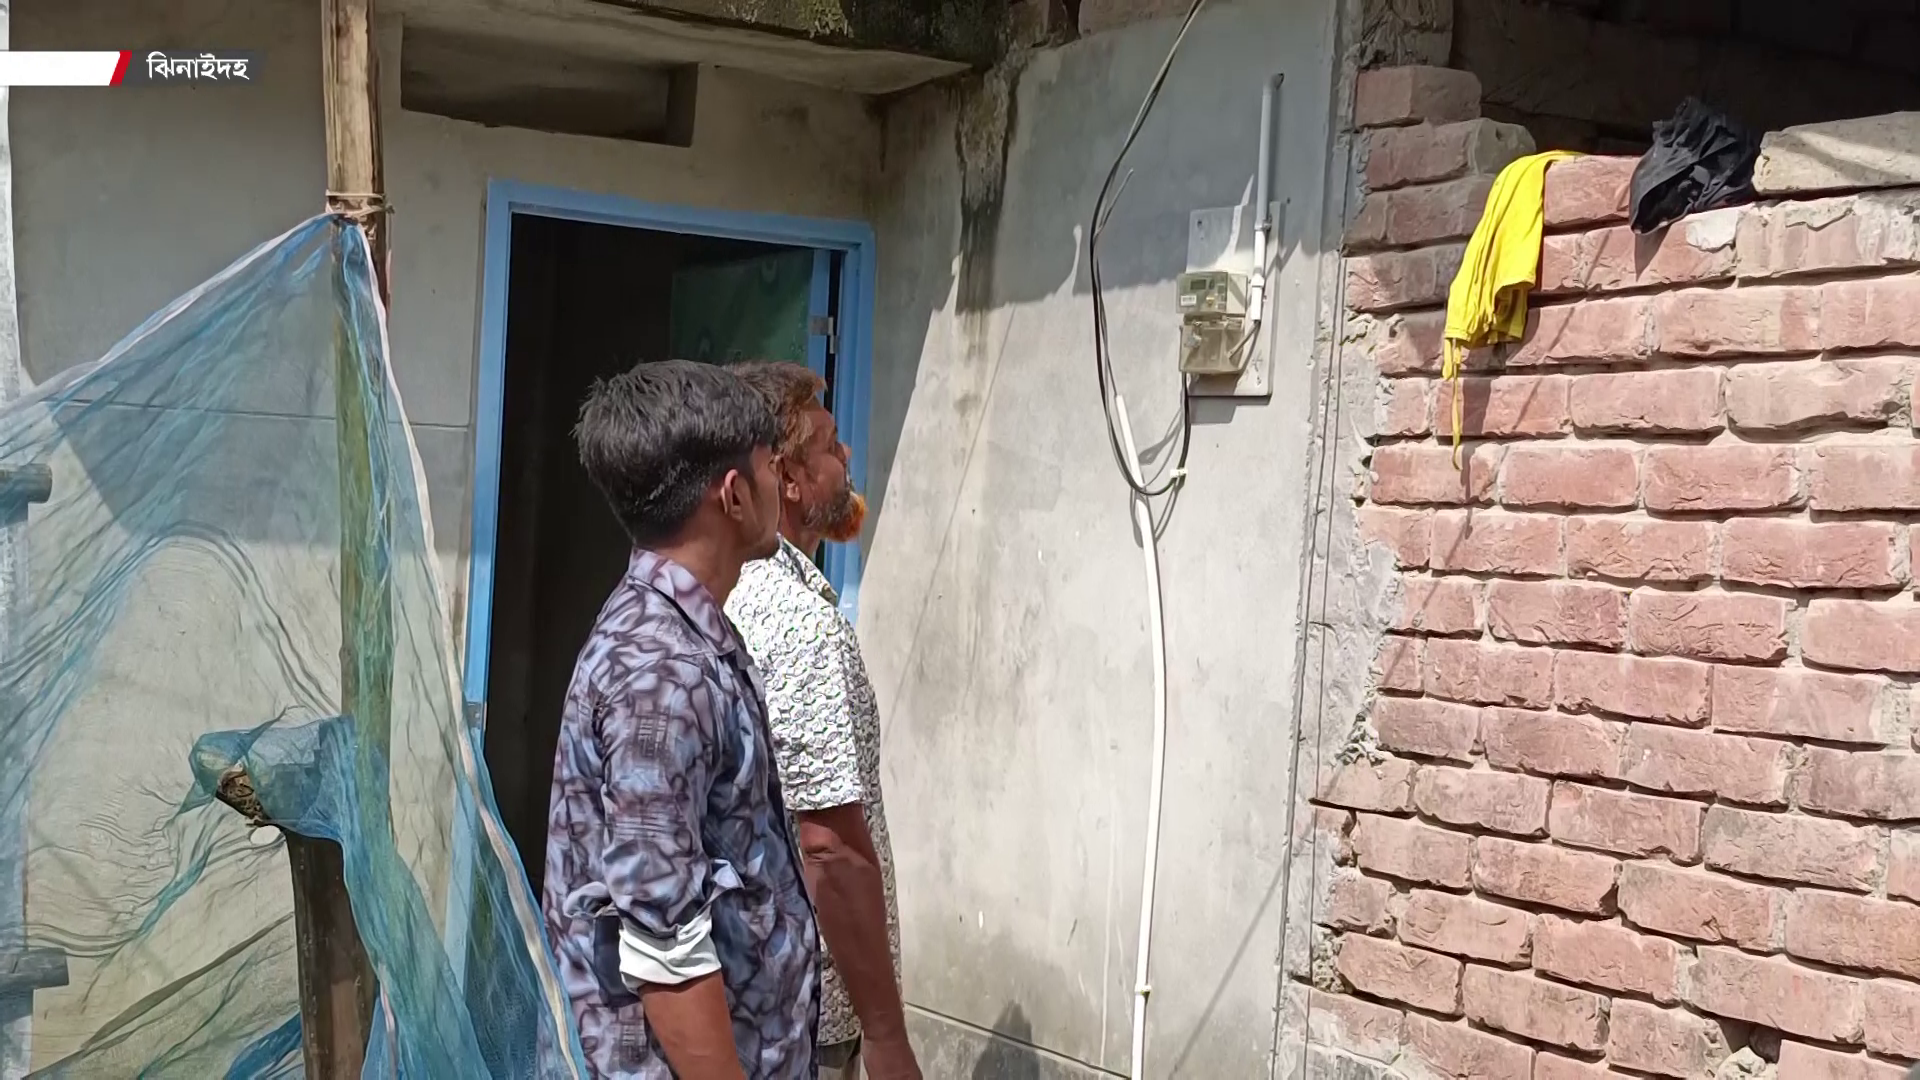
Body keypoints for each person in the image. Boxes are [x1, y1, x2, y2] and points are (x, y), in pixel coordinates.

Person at [542, 360, 820, 1080]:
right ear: (734, 494)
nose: (780, 482)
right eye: (770, 465)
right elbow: (662, 944)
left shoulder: (683, 633)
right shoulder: (663, 672)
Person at [725, 362, 921, 1080]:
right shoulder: (800, 624)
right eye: (831, 445)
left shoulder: (721, 593)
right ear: (789, 479)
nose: (846, 458)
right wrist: (886, 1034)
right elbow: (828, 847)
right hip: (809, 1019)